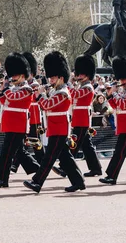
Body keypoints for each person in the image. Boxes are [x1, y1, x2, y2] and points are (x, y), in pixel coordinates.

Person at [22, 51, 84, 193]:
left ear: (61, 78)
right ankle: (78, 182)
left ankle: (37, 182)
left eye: (53, 77)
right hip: (55, 126)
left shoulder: (63, 92)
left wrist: (40, 95)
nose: (50, 80)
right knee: (65, 157)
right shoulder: (57, 90)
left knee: (48, 158)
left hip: (60, 128)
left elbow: (47, 105)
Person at [0, 52, 39, 188]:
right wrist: (3, 90)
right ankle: (38, 170)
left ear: (23, 75)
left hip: (19, 123)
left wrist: (5, 89)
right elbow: (5, 101)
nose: (13, 77)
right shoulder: (13, 88)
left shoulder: (27, 89)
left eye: (15, 74)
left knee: (7, 152)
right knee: (17, 151)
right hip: (11, 123)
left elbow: (13, 98)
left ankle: (2, 179)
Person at [54, 55, 102, 178]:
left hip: (83, 118)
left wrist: (68, 82)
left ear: (87, 75)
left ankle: (65, 167)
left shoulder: (88, 87)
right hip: (78, 117)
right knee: (86, 145)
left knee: (74, 143)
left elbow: (75, 95)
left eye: (81, 74)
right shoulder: (82, 85)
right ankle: (95, 168)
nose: (79, 76)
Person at [99, 56, 126, 185]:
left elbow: (123, 105)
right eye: (121, 78)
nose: (121, 81)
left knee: (120, 151)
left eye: (124, 78)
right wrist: (110, 95)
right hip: (122, 123)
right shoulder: (124, 90)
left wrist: (114, 93)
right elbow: (115, 106)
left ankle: (112, 176)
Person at [12, 52, 45, 173]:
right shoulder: (23, 84)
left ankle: (43, 162)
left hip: (34, 115)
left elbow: (36, 98)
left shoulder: (34, 84)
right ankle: (15, 164)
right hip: (26, 115)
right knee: (22, 142)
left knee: (34, 141)